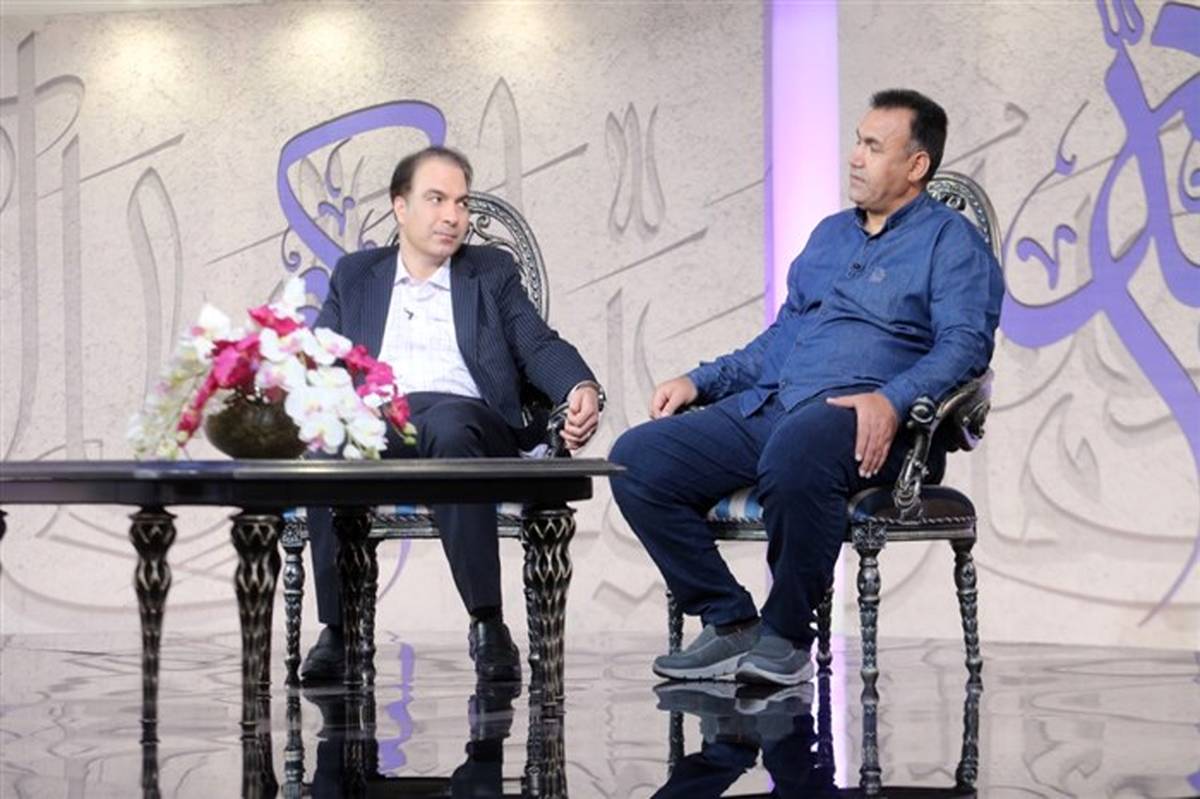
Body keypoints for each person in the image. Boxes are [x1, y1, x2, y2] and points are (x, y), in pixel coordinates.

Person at [609, 89, 1004, 686]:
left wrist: (893, 400)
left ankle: (786, 635)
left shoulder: (951, 243)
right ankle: (730, 621)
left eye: (874, 147)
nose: (855, 156)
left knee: (801, 446)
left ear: (916, 165)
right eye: (857, 141)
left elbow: (965, 346)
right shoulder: (829, 236)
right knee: (637, 460)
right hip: (777, 406)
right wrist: (699, 380)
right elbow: (780, 340)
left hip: (869, 421)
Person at [301, 146, 603, 683]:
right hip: (379, 422)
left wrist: (579, 385)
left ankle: (487, 623)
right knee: (332, 442)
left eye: (461, 203)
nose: (453, 216)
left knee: (447, 426)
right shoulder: (356, 275)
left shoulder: (490, 272)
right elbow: (320, 358)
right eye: (436, 200)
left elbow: (536, 344)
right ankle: (338, 631)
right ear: (400, 206)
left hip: (470, 421)